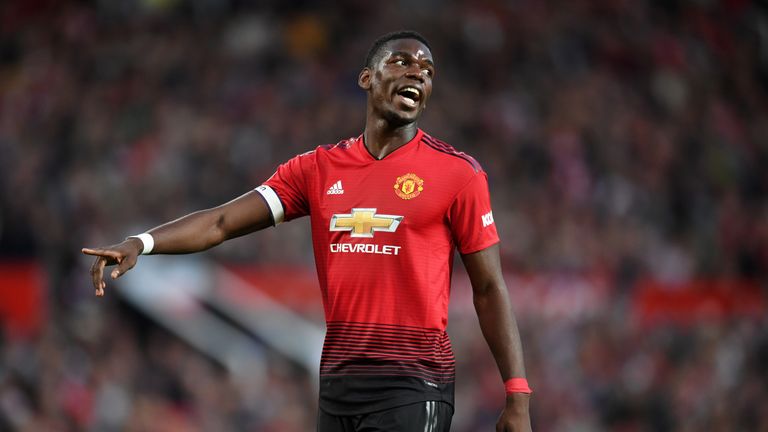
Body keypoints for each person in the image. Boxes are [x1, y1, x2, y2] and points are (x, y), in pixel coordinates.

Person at [83, 30, 532, 432]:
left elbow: (489, 287)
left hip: (415, 383)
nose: (418, 72)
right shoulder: (317, 170)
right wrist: (142, 242)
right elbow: (221, 222)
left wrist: (517, 395)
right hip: (337, 384)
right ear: (366, 79)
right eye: (402, 62)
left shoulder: (458, 174)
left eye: (428, 70)